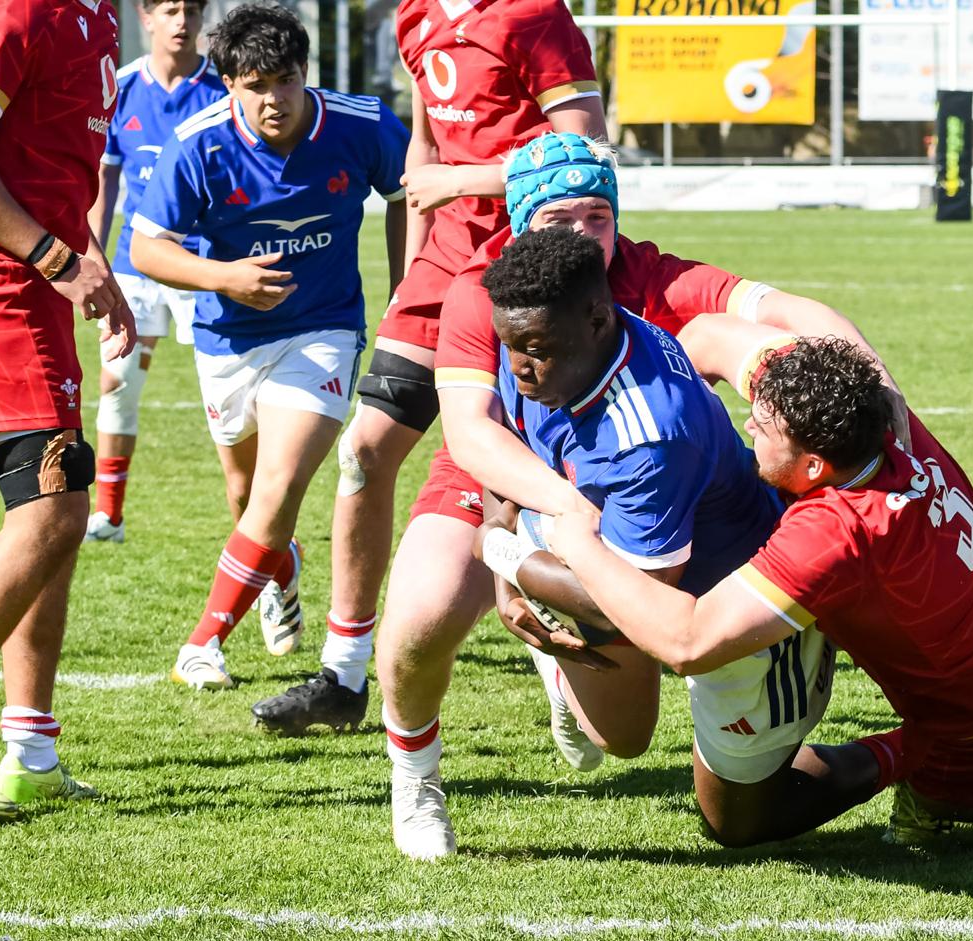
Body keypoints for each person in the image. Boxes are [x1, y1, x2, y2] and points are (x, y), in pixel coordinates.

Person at [373, 133, 925, 861]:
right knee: (419, 621)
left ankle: (959, 739)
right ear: (518, 224)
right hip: (518, 470)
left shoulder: (651, 297)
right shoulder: (499, 292)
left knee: (660, 760)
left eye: (597, 215)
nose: (581, 235)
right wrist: (527, 530)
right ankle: (414, 781)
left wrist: (881, 388)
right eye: (558, 218)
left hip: (645, 502)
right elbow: (475, 435)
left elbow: (785, 311)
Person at [546, 323, 973, 846]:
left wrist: (573, 542)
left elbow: (689, 641)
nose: (745, 428)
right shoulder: (861, 411)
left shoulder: (839, 530)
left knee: (966, 794)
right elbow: (705, 333)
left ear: (815, 467)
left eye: (759, 429)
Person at [250, 0, 604, 728]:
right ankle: (344, 678)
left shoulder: (533, 14)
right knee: (363, 453)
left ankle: (570, 644)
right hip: (442, 265)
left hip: (529, 267)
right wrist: (413, 272)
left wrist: (465, 181)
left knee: (530, 470)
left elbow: (588, 151)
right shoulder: (414, 15)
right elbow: (423, 156)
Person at [128, 1, 408, 690]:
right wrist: (225, 277)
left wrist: (407, 288)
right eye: (255, 86)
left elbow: (411, 194)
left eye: (285, 80)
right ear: (230, 86)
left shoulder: (360, 123)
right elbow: (143, 248)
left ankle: (202, 643)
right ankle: (280, 573)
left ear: (304, 72)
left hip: (323, 330)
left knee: (280, 486)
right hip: (226, 337)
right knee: (247, 494)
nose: (274, 99)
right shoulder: (197, 144)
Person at [0, 0, 135, 821]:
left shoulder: (97, 17)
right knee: (53, 507)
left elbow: (53, 170)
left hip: (38, 283)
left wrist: (89, 261)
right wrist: (56, 256)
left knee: (58, 504)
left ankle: (31, 748)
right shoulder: (11, 9)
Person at [84, 0, 225, 544]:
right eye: (170, 9)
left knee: (224, 395)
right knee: (117, 383)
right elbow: (104, 183)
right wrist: (94, 256)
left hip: (202, 268)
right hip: (133, 269)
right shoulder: (119, 87)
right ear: (145, 18)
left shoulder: (224, 85)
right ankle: (109, 515)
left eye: (192, 9)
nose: (182, 20)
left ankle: (250, 517)